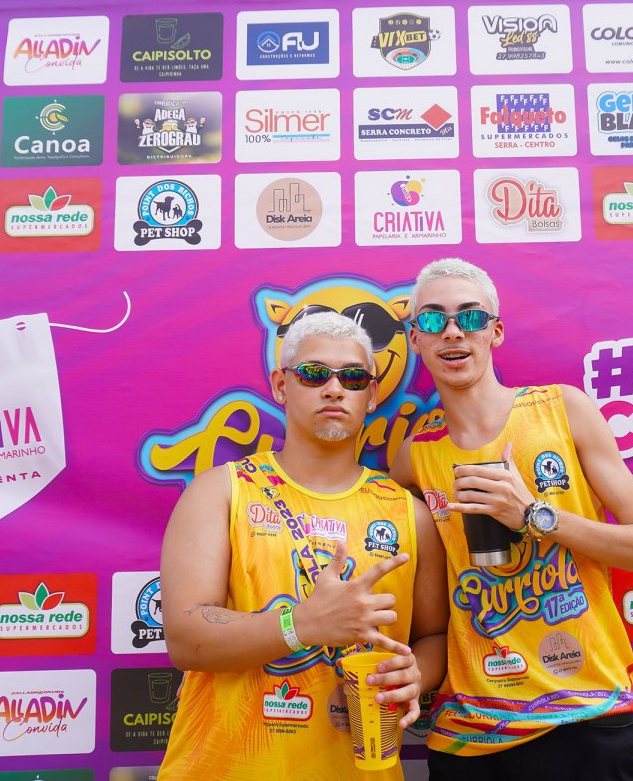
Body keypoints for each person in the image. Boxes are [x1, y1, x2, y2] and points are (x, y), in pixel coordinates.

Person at [390, 258, 633, 780]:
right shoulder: (414, 456)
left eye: (470, 317)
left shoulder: (563, 410)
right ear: (416, 339)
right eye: (432, 319)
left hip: (588, 717)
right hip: (473, 734)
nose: (452, 331)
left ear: (495, 332)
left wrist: (533, 515)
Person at [159, 311, 447, 780]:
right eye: (314, 374)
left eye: (353, 378)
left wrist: (417, 675)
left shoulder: (409, 514)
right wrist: (304, 624)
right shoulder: (221, 491)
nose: (334, 389)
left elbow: (434, 637)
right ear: (281, 385)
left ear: (372, 394)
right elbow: (186, 638)